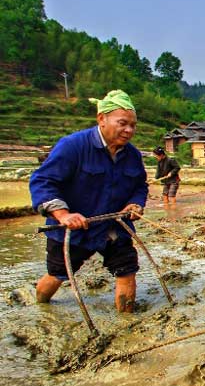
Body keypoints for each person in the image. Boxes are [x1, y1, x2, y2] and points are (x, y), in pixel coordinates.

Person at [29, 89, 148, 312]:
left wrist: (136, 204)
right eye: (123, 123)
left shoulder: (132, 155)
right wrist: (63, 215)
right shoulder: (73, 146)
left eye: (133, 125)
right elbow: (42, 181)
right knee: (58, 275)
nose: (129, 130)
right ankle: (40, 306)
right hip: (74, 230)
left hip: (114, 228)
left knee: (127, 271)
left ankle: (127, 320)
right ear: (101, 118)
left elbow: (140, 186)